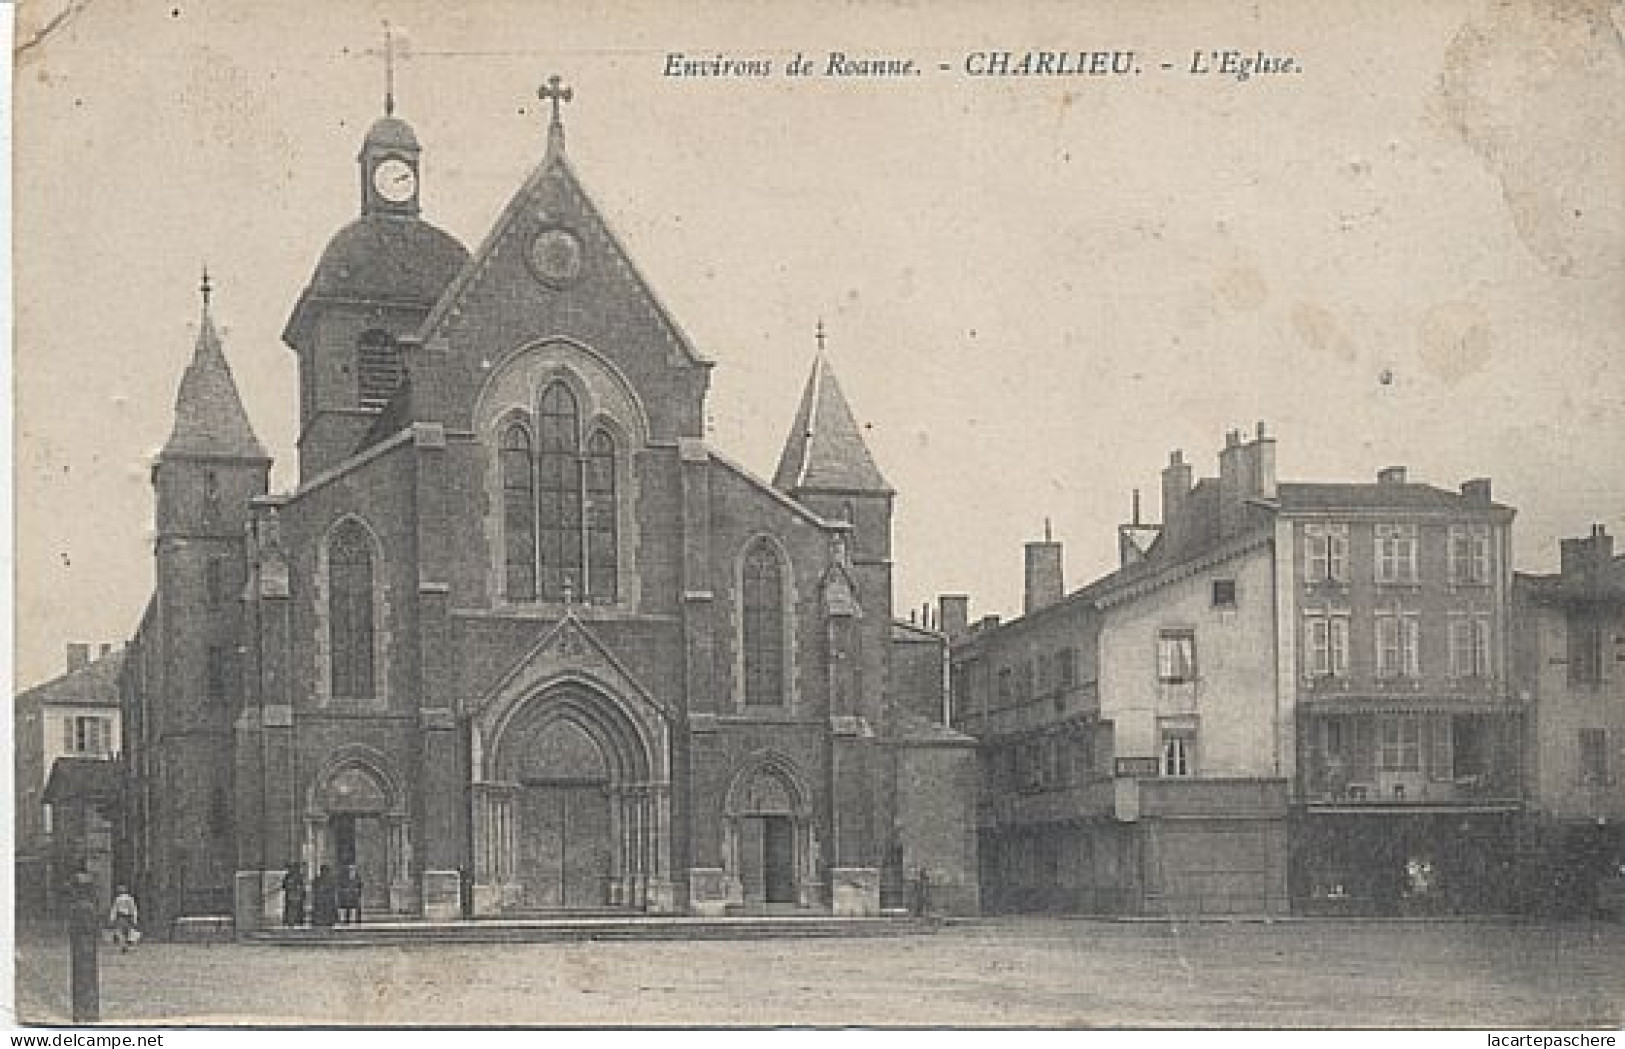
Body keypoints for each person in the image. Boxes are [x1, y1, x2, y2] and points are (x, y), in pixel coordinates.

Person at [108, 885, 139, 952]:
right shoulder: (130, 899)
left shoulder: (118, 899)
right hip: (128, 917)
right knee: (127, 932)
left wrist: (112, 918)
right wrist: (134, 919)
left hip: (121, 917)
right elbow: (133, 909)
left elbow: (114, 909)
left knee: (121, 932)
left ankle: (124, 945)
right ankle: (125, 945)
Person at [281, 862, 307, 927]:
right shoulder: (288, 876)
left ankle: (298, 921)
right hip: (291, 895)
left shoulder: (300, 876)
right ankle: (290, 921)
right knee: (290, 909)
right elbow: (284, 885)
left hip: (297, 896)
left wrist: (302, 892)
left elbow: (302, 886)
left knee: (298, 908)